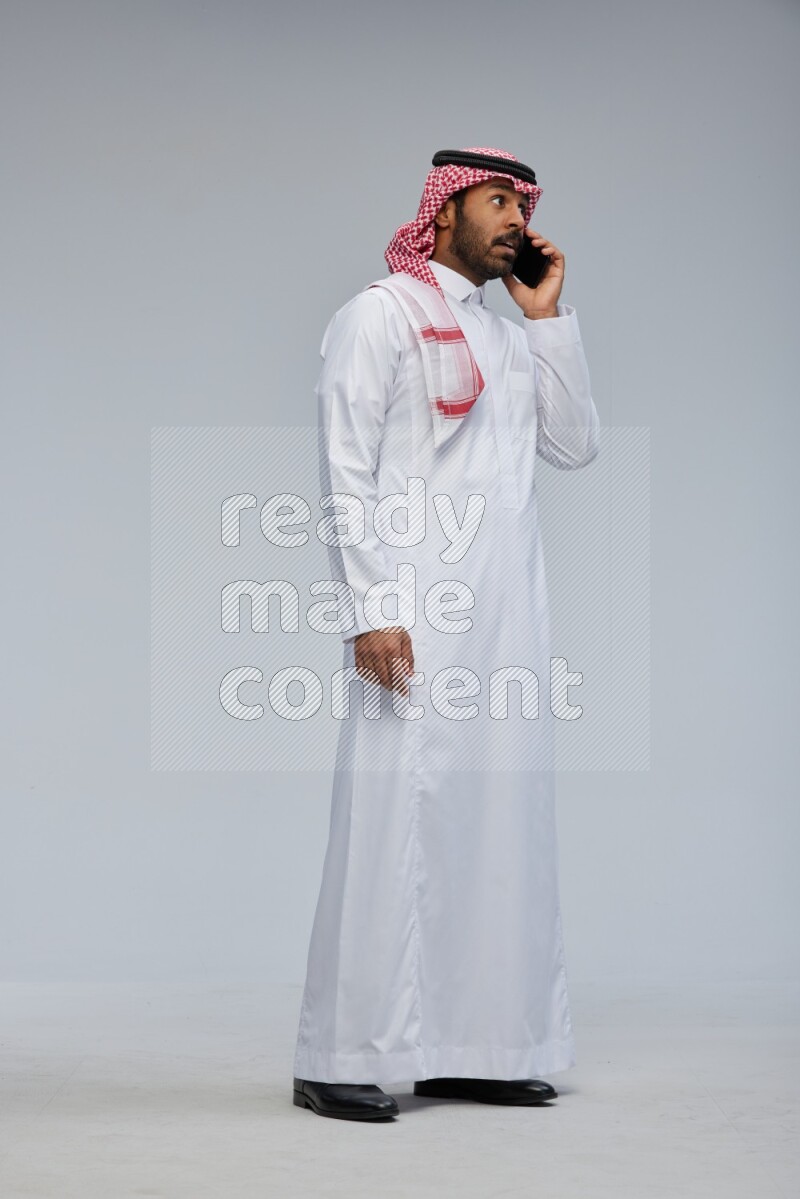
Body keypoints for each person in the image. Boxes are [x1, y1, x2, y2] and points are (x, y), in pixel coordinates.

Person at [292, 146, 600, 1121]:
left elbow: (573, 442)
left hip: (505, 623)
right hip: (413, 617)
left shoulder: (510, 340)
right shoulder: (377, 316)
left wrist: (545, 319)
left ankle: (476, 1044)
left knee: (495, 828)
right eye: (497, 201)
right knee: (390, 829)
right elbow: (344, 466)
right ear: (441, 211)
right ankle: (338, 1051)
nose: (515, 219)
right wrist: (370, 609)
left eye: (523, 204)